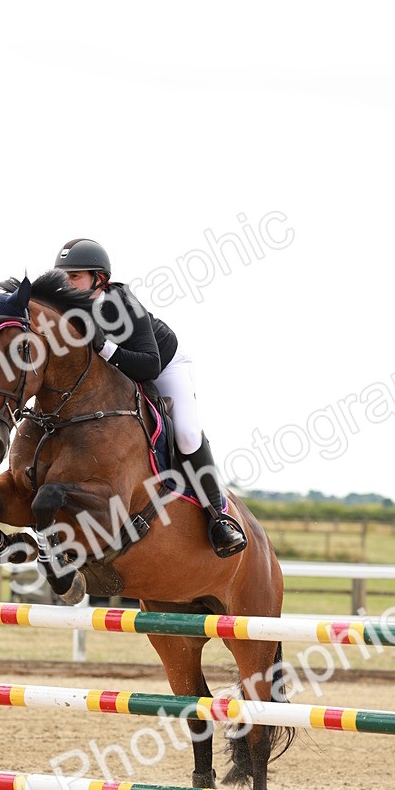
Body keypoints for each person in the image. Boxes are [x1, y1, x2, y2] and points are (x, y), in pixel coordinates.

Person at [53, 237, 248, 558]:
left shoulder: (123, 305)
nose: (66, 282)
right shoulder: (64, 308)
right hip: (118, 375)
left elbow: (150, 365)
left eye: (74, 276)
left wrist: (104, 346)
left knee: (185, 434)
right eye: (63, 276)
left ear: (98, 279)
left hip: (164, 366)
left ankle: (218, 515)